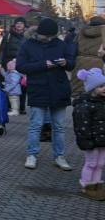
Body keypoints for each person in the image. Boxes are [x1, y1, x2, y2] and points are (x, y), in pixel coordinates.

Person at [16, 18, 75, 171]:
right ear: (39, 33)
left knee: (59, 126)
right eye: (46, 36)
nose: (49, 39)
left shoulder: (60, 44)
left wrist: (65, 63)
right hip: (38, 88)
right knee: (36, 125)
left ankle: (59, 156)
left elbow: (71, 62)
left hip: (59, 88)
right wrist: (43, 65)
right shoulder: (28, 45)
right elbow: (21, 66)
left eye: (51, 36)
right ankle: (32, 155)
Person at [72, 68, 105, 200]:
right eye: (101, 86)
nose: (104, 88)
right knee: (91, 163)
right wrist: (87, 141)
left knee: (100, 164)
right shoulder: (84, 105)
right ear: (93, 88)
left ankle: (97, 187)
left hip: (102, 139)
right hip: (91, 140)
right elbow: (82, 126)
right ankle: (87, 187)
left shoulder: (102, 102)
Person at [0, 16, 29, 114]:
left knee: (23, 85)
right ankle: (9, 106)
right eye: (17, 23)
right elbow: (1, 50)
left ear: (24, 25)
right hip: (9, 64)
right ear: (14, 25)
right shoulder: (8, 35)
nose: (19, 25)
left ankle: (21, 107)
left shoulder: (28, 36)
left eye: (21, 23)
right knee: (9, 84)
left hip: (23, 63)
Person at [71, 16, 105, 96]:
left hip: (81, 65)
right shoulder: (104, 34)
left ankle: (81, 106)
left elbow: (73, 50)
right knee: (99, 93)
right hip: (100, 64)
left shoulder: (80, 33)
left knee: (80, 92)